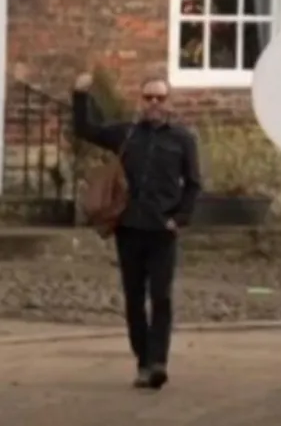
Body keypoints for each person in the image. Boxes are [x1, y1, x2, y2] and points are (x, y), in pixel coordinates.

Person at [72, 73, 202, 390]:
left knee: (161, 297)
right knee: (133, 298)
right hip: (129, 228)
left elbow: (194, 184)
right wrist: (79, 96)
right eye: (148, 98)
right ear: (140, 101)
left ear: (169, 102)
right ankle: (143, 360)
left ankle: (158, 362)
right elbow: (86, 129)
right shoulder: (126, 134)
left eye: (160, 98)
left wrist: (180, 218)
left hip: (162, 230)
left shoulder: (183, 139)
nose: (154, 104)